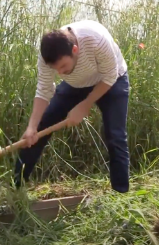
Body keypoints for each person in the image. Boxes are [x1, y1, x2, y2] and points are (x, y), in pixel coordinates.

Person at [13, 20, 130, 193]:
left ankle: (121, 194)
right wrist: (31, 127)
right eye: (56, 69)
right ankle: (16, 188)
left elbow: (110, 76)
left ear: (75, 50)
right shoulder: (47, 56)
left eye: (63, 66)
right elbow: (44, 91)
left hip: (112, 81)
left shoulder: (96, 39)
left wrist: (85, 105)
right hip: (75, 85)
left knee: (115, 135)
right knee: (40, 128)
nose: (59, 73)